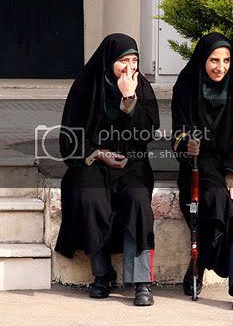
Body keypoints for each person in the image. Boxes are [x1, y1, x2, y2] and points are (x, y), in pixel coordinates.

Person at [55, 33, 160, 306]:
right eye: (122, 61)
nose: (129, 68)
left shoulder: (142, 88)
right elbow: (69, 138)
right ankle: (102, 274)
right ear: (108, 60)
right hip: (94, 160)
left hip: (131, 162)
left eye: (134, 60)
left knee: (137, 200)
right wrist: (99, 154)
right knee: (90, 196)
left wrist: (130, 99)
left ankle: (141, 281)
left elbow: (147, 132)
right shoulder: (85, 86)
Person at [171, 32, 233, 310]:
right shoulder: (185, 84)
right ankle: (200, 263)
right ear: (202, 59)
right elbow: (177, 134)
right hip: (199, 163)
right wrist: (188, 144)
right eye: (214, 60)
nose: (221, 67)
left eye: (227, 60)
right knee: (215, 197)